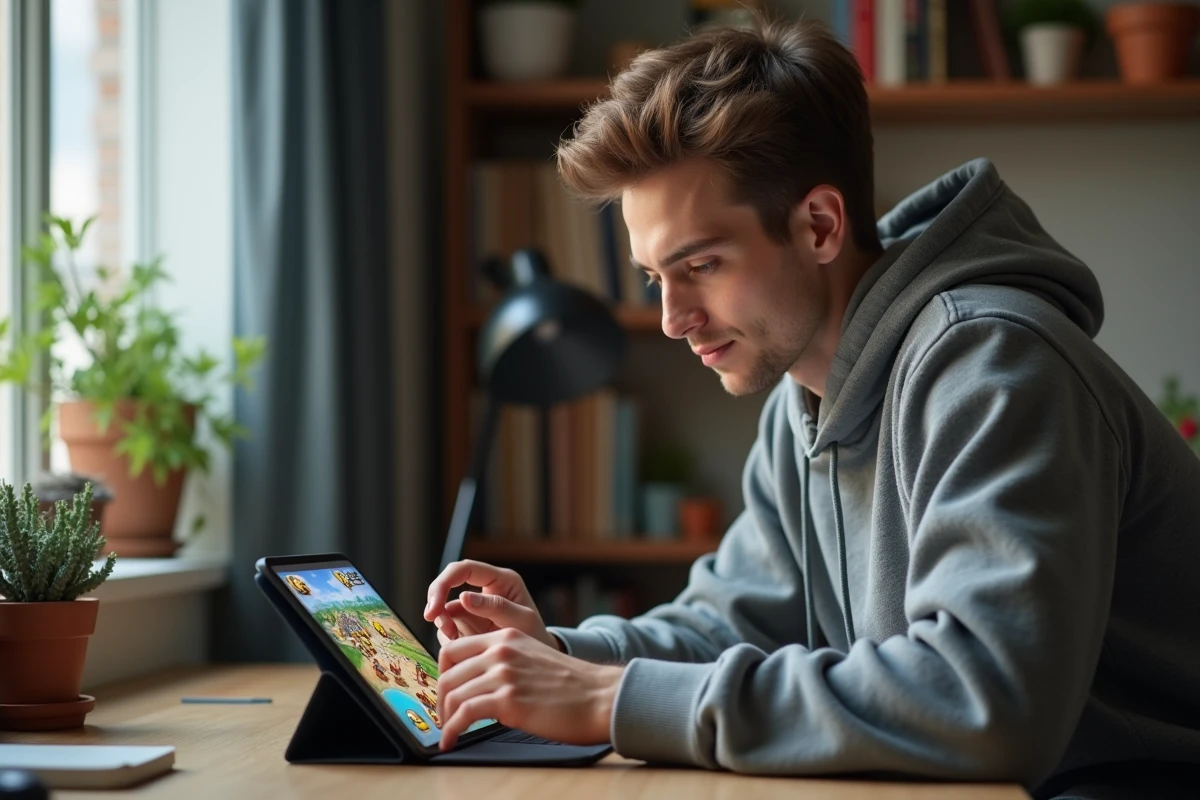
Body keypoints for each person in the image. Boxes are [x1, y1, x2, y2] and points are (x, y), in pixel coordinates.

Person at [424, 16, 1200, 799]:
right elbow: (730, 624)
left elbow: (988, 701)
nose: (672, 319)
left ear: (820, 226)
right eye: (657, 277)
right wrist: (562, 657)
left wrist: (609, 699)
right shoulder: (804, 396)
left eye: (702, 265)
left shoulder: (994, 365)